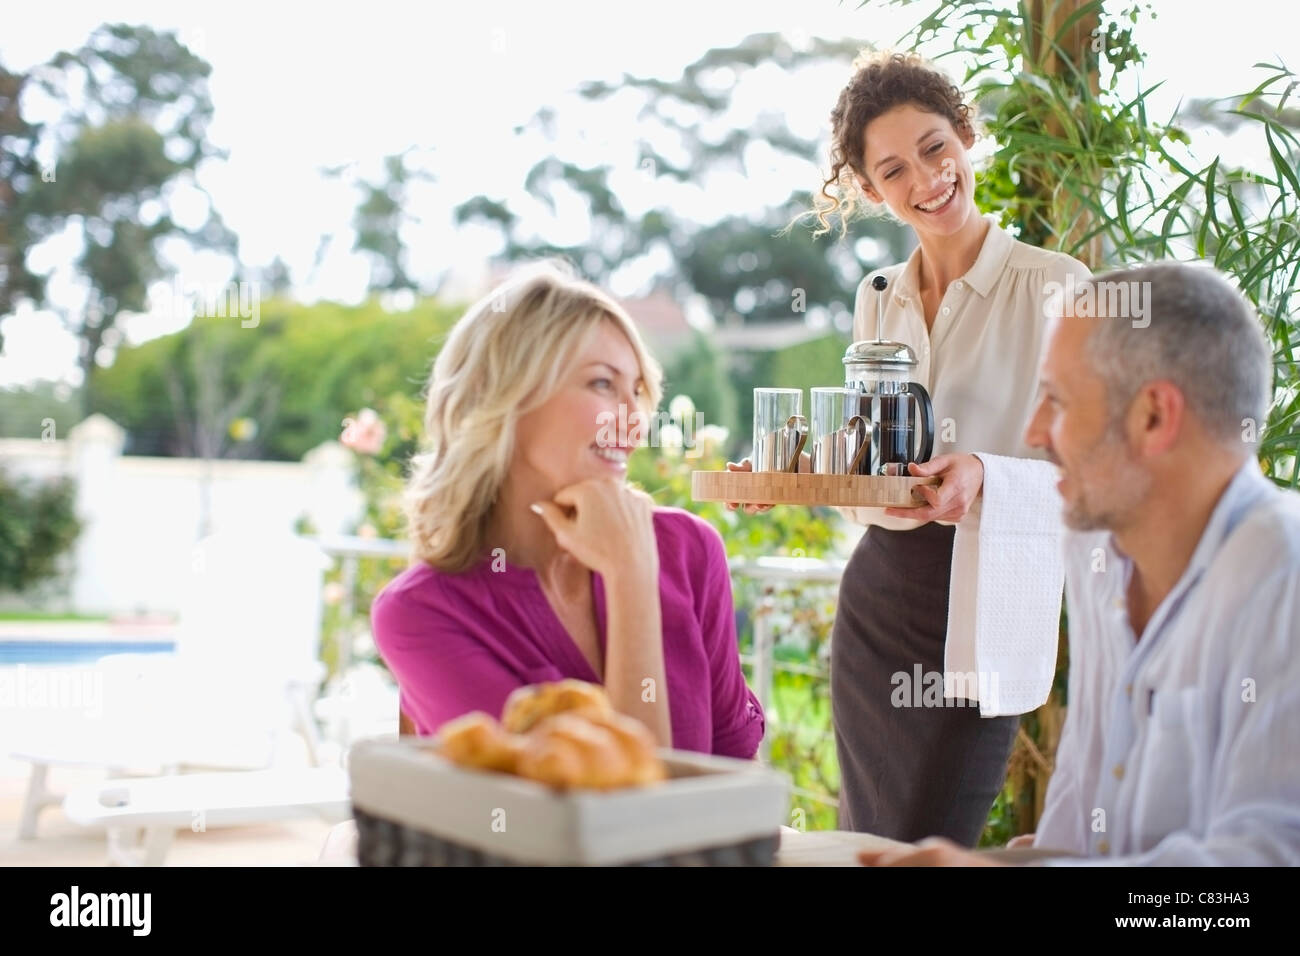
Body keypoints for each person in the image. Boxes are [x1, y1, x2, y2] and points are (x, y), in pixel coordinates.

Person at [730, 50, 1092, 844]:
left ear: (966, 136)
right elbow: (869, 450)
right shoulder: (878, 296)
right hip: (880, 599)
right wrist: (787, 468)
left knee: (932, 842)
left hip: (985, 594)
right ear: (869, 190)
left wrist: (986, 475)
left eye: (934, 147)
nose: (926, 179)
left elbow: (1096, 466)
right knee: (871, 840)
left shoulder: (1057, 284)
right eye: (893, 169)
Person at [859, 261, 1300, 866]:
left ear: (1154, 417)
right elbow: (1084, 817)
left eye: (1057, 401)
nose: (1035, 433)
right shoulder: (1101, 552)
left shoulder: (1283, 580)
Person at [371, 260, 764, 758]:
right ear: (507, 398)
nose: (633, 420)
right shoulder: (421, 614)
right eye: (602, 384)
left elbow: (733, 772)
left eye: (637, 390)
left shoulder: (690, 550)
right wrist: (631, 577)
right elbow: (611, 810)